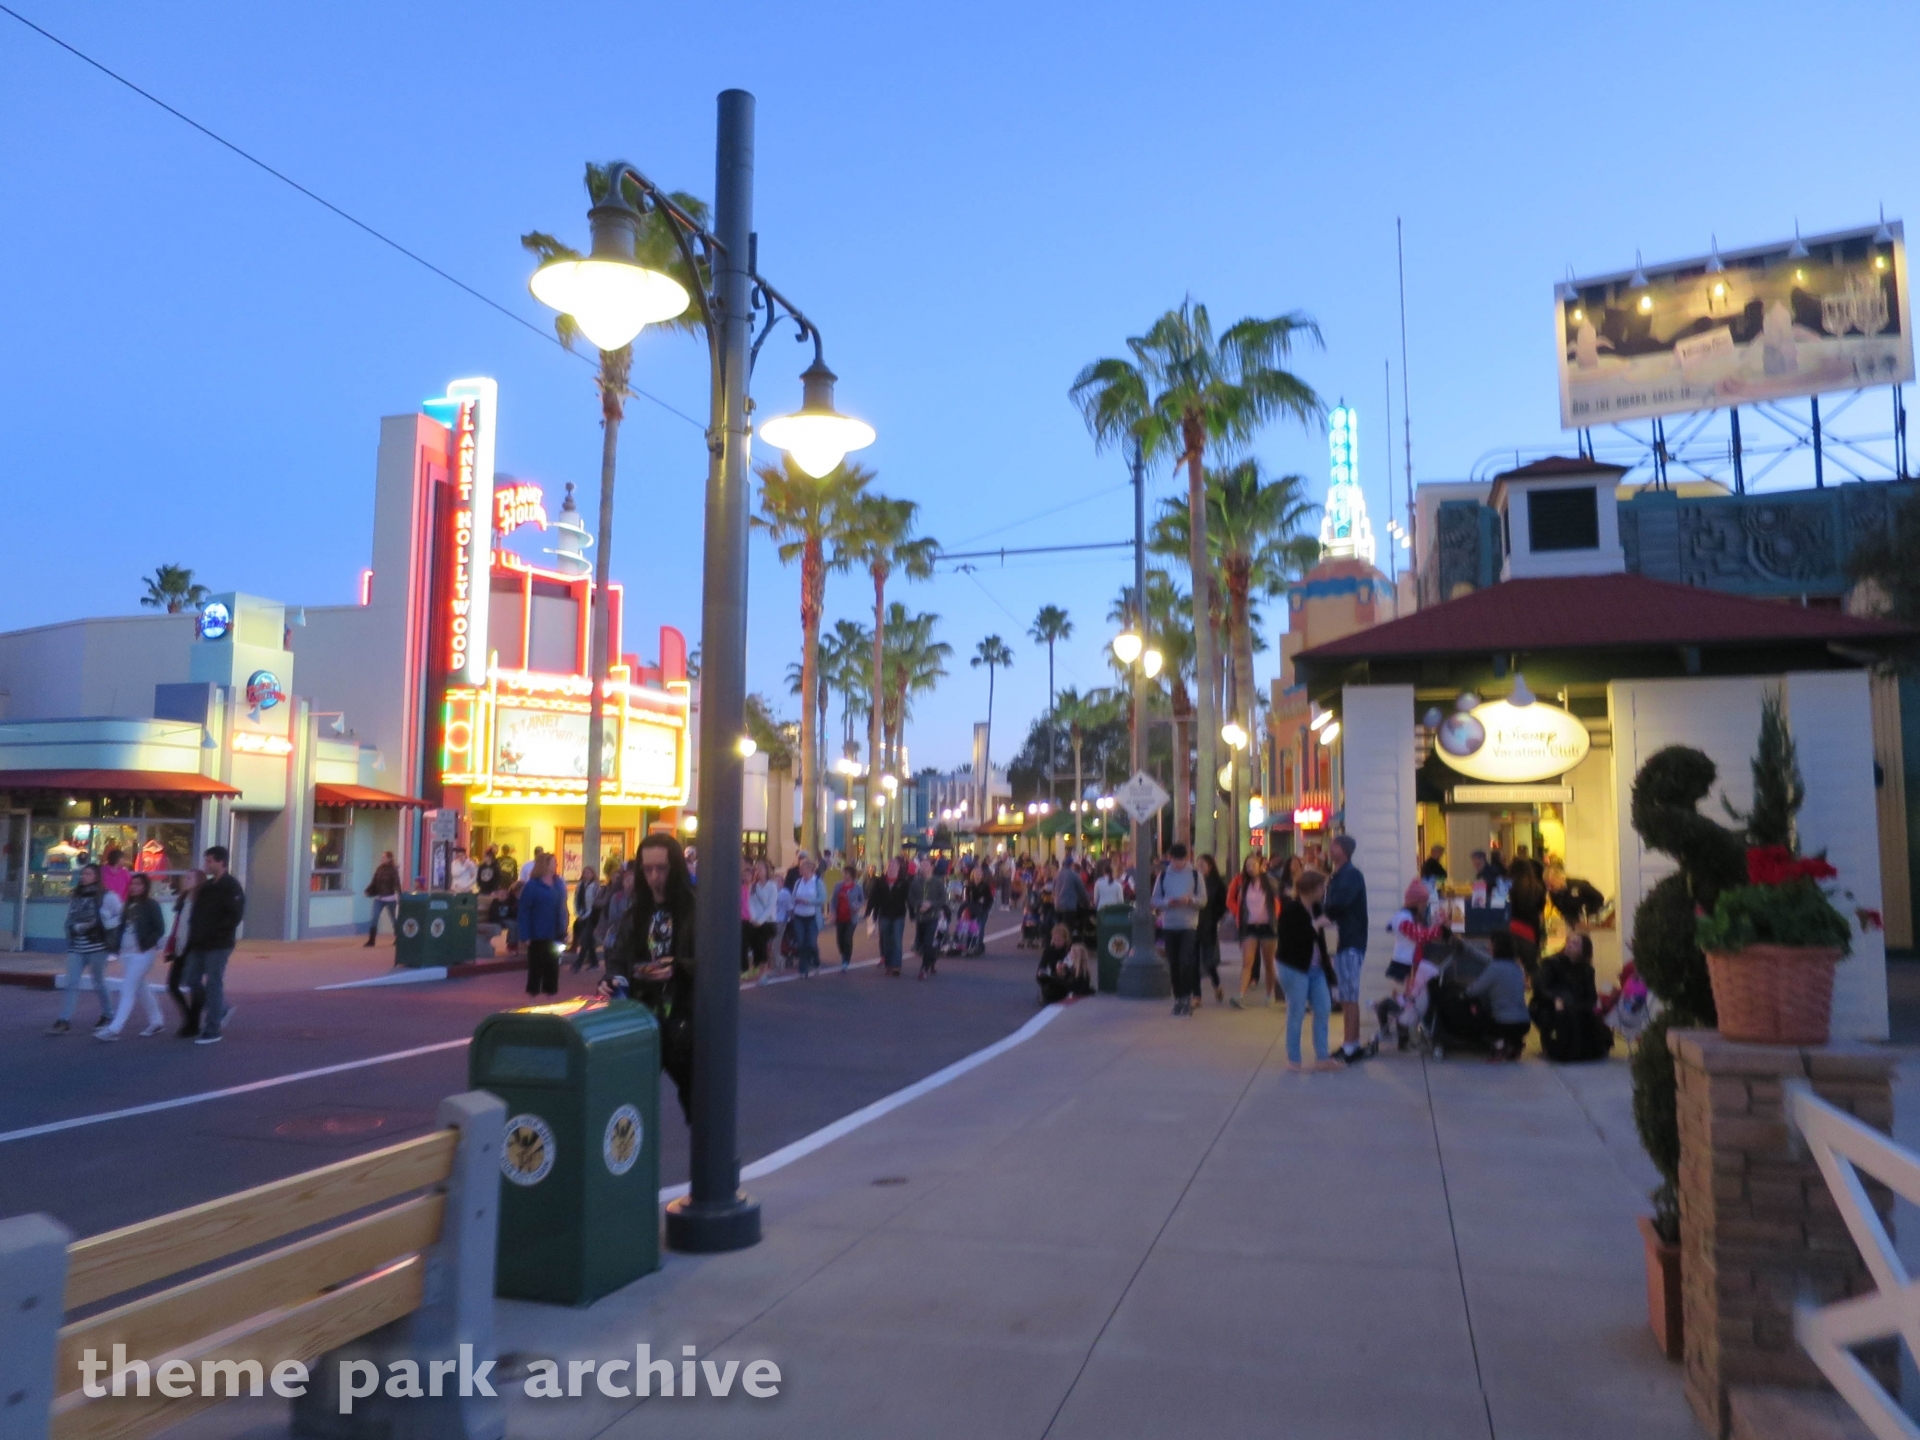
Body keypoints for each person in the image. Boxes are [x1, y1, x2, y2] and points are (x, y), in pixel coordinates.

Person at [612, 834, 697, 1120]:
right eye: (647, 869)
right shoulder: (636, 913)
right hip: (643, 1017)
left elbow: (717, 962)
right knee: (626, 1104)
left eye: (662, 868)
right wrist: (612, 979)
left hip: (685, 1022)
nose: (654, 877)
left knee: (699, 1104)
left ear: (676, 868)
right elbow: (617, 959)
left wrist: (678, 967)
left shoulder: (696, 909)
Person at [1276, 868, 1339, 1071]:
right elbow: (1292, 941)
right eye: (1321, 887)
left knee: (1323, 1008)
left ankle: (1322, 1057)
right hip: (1294, 968)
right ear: (1311, 889)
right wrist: (1315, 925)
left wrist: (1329, 969)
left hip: (1316, 968)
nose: (1323, 890)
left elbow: (1320, 941)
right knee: (1297, 1011)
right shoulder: (1291, 910)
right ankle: (1293, 1059)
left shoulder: (1317, 908)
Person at [182, 846, 245, 1046]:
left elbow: (234, 916)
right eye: (206, 860)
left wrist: (216, 933)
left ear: (221, 862)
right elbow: (197, 915)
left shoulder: (231, 886)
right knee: (191, 978)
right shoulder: (207, 887)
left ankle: (213, 1029)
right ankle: (221, 1008)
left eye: (209, 861)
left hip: (219, 944)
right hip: (199, 943)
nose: (206, 865)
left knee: (213, 982)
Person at [49, 863, 118, 1034]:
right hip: (77, 945)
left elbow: (120, 916)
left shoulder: (107, 896)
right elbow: (69, 918)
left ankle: (108, 1014)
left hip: (98, 946)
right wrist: (77, 928)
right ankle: (64, 1020)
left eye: (89, 874)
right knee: (71, 982)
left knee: (98, 981)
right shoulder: (76, 896)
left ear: (97, 876)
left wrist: (103, 923)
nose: (84, 877)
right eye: (83, 873)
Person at [1323, 834, 1373, 1063]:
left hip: (1352, 941)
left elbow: (1338, 905)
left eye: (1333, 845)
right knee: (1345, 995)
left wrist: (1320, 918)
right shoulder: (1339, 875)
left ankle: (1353, 1044)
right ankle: (1348, 1042)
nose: (1330, 848)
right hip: (1344, 941)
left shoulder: (1351, 875)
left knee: (1350, 995)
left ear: (1343, 850)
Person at [98, 873, 166, 1040]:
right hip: (127, 953)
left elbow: (160, 928)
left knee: (127, 988)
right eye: (133, 883)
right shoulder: (128, 905)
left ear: (146, 887)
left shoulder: (151, 905)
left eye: (139, 884)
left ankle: (115, 1028)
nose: (134, 887)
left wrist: (148, 943)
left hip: (143, 953)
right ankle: (156, 1021)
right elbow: (122, 927)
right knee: (141, 988)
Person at [1531, 931, 1614, 1063]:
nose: (1569, 945)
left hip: (1575, 1005)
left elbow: (1591, 996)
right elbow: (1542, 988)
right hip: (1549, 1003)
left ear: (1583, 950)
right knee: (1559, 1015)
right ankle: (1557, 1047)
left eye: (1575, 943)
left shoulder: (1587, 970)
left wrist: (1587, 1006)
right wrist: (1555, 999)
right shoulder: (1551, 964)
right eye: (1569, 941)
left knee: (1587, 1015)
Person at [1464, 930, 1531, 1060]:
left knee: (1479, 1012)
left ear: (1496, 946)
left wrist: (1464, 990)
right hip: (1524, 1022)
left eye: (1490, 944)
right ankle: (1515, 1043)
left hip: (1504, 1023)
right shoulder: (1517, 967)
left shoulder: (1494, 968)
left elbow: (1473, 991)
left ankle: (1499, 1045)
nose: (1487, 946)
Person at [1152, 843, 1201, 1017]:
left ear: (1187, 858)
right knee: (1173, 963)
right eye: (1175, 859)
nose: (1178, 863)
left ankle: (1187, 997)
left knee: (1185, 962)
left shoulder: (1195, 875)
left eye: (1181, 860)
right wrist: (1167, 903)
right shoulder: (1164, 875)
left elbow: (1203, 900)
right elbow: (1155, 899)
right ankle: (1178, 998)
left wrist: (1191, 900)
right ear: (1170, 858)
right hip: (1170, 924)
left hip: (1188, 925)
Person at [1228, 854, 1279, 1008]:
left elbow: (1277, 901)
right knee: (1247, 962)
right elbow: (1234, 902)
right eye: (1248, 865)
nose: (1251, 868)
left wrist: (1276, 917)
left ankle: (1270, 994)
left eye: (1253, 865)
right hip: (1250, 927)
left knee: (1268, 963)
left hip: (1267, 926)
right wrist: (1238, 915)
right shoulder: (1242, 884)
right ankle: (1241, 995)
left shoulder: (1269, 882)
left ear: (1260, 866)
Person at [517, 851, 568, 996]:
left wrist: (564, 928)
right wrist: (525, 935)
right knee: (536, 968)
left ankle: (550, 998)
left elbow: (562, 907)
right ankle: (532, 999)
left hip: (555, 933)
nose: (556, 864)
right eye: (553, 862)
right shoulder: (532, 886)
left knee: (553, 967)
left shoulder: (558, 883)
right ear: (545, 865)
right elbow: (524, 911)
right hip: (537, 933)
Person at [163, 869, 203, 1034]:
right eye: (185, 877)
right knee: (173, 985)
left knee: (193, 984)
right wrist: (172, 945)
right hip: (180, 947)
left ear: (198, 881)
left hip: (193, 948)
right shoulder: (183, 899)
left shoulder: (199, 902)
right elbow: (178, 926)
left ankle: (193, 1023)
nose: (185, 880)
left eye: (189, 878)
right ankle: (190, 1019)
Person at [868, 856, 911, 976]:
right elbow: (873, 898)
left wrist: (913, 912)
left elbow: (909, 899)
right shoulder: (880, 882)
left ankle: (896, 966)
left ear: (898, 868)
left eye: (893, 866)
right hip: (884, 914)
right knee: (886, 940)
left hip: (898, 915)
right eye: (889, 866)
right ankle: (888, 964)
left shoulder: (903, 882)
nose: (891, 868)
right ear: (886, 868)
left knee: (896, 940)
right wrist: (869, 912)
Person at [1195, 854, 1227, 1007]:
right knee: (1193, 961)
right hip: (1193, 924)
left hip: (1209, 926)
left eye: (1203, 865)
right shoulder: (1193, 882)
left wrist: (1214, 919)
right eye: (1198, 864)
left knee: (1209, 961)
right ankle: (1197, 996)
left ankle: (1216, 984)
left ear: (1210, 866)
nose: (1200, 867)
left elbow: (1222, 906)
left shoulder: (1217, 884)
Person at [1035, 921, 1093, 1004]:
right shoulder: (1049, 950)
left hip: (1066, 977)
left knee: (1066, 983)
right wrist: (1042, 972)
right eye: (1054, 939)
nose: (1056, 941)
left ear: (1065, 939)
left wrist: (1064, 968)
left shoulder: (1070, 949)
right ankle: (1048, 992)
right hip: (1055, 975)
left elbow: (1076, 965)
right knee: (1044, 979)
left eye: (1059, 940)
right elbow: (1042, 964)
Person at [789, 854, 826, 978]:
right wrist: (794, 902)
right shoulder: (798, 882)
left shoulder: (817, 882)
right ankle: (803, 969)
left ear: (809, 869)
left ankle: (816, 962)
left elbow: (822, 898)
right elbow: (793, 896)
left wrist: (808, 901)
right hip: (799, 916)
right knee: (801, 943)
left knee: (811, 942)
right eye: (800, 868)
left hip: (812, 917)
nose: (800, 870)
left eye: (802, 868)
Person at [909, 856, 946, 979]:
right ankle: (932, 959)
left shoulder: (938, 882)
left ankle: (924, 968)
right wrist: (919, 904)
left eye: (926, 865)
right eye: (922, 865)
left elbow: (943, 899)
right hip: (920, 917)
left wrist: (931, 904)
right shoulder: (916, 882)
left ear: (932, 867)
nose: (923, 868)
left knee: (928, 941)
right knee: (920, 944)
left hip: (932, 916)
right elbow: (910, 898)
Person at [744, 859, 780, 980]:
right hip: (755, 921)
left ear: (766, 870)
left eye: (761, 869)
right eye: (757, 869)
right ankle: (758, 966)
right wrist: (754, 918)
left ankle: (763, 971)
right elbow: (750, 903)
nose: (758, 871)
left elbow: (771, 906)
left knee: (762, 943)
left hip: (768, 921)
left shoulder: (772, 886)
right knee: (755, 945)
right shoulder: (753, 886)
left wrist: (761, 920)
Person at [569, 861, 603, 973]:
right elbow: (576, 899)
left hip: (591, 916)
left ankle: (578, 963)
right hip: (581, 914)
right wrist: (578, 913)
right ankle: (594, 962)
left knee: (585, 938)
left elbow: (594, 902)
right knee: (588, 939)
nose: (586, 874)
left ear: (593, 874)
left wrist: (588, 914)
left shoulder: (595, 887)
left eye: (588, 872)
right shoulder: (579, 885)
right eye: (584, 872)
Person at [365, 850, 401, 947]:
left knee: (393, 918)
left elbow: (397, 883)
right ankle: (371, 940)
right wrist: (368, 891)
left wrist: (400, 896)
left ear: (389, 859)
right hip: (379, 898)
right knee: (374, 917)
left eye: (384, 857)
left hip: (390, 898)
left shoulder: (393, 870)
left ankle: (398, 938)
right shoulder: (379, 869)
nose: (382, 859)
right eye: (382, 857)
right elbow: (374, 881)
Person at [1053, 853, 1092, 945]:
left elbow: (1054, 889)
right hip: (1069, 906)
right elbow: (1082, 891)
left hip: (1058, 905)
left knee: (1059, 927)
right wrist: (1088, 903)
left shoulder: (1058, 875)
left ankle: (1057, 944)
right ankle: (1067, 945)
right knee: (1068, 929)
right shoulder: (1074, 875)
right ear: (1072, 865)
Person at [831, 862, 864, 971]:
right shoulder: (838, 886)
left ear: (851, 875)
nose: (844, 875)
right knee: (839, 939)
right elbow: (833, 900)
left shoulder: (857, 887)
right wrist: (833, 912)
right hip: (840, 916)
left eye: (846, 873)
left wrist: (857, 906)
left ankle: (846, 960)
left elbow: (862, 900)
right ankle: (843, 953)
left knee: (847, 939)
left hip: (851, 917)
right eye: (844, 873)